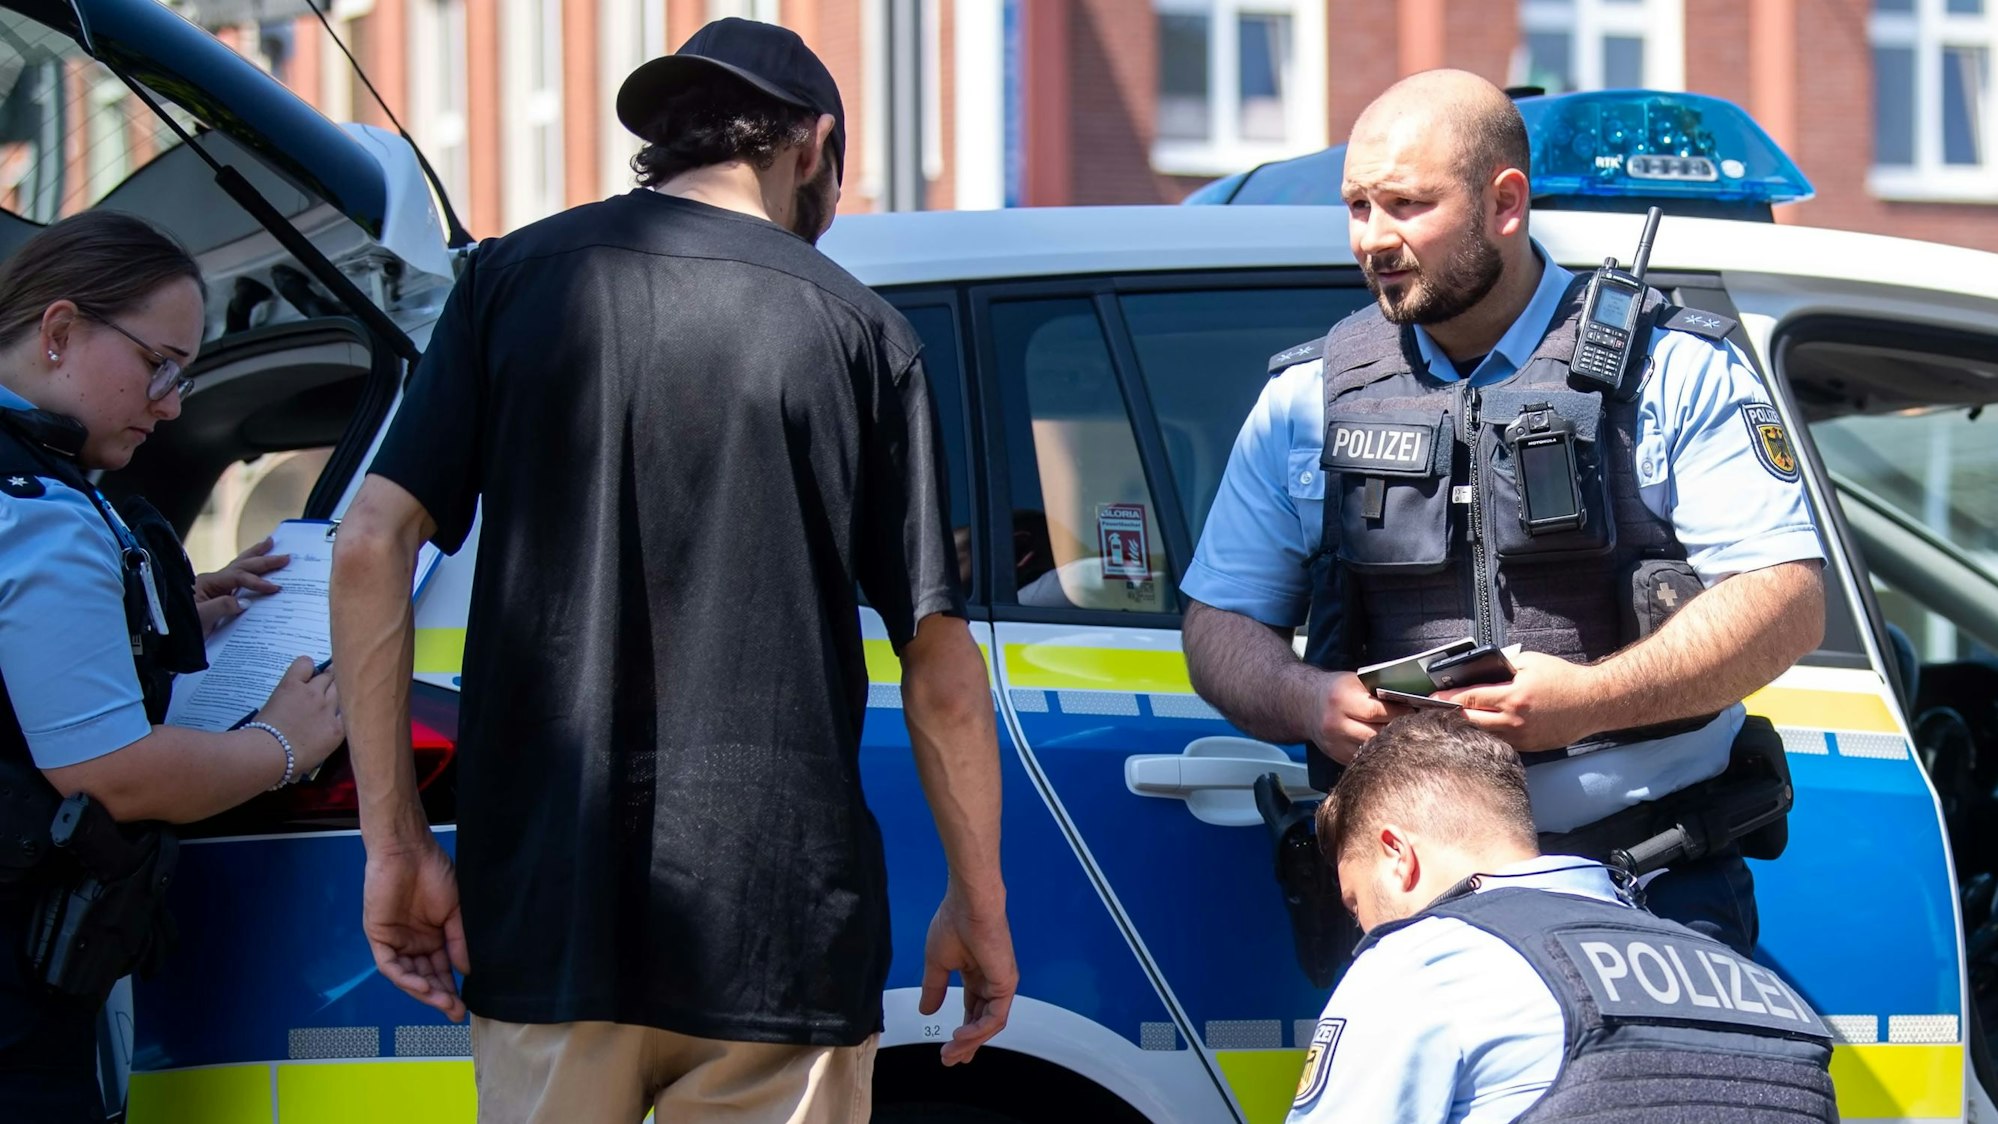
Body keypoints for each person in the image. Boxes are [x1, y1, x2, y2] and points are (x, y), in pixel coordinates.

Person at [329, 18, 1015, 1124]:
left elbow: (369, 544)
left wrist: (397, 842)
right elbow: (939, 668)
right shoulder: (862, 332)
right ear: (814, 147)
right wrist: (978, 899)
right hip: (781, 928)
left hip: (544, 906)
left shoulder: (509, 284)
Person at [1181, 70, 1825, 953]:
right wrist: (1307, 699)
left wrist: (1592, 700)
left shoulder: (1672, 368)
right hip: (1410, 894)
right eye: (1358, 206)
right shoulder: (1308, 397)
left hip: (1648, 878)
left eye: (1406, 204)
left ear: (1506, 204)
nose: (1374, 238)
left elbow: (1786, 599)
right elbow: (1218, 623)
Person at [0, 212, 343, 1120]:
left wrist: (163, 611)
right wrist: (284, 741)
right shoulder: (39, 507)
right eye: (159, 365)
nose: (171, 402)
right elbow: (112, 773)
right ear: (61, 331)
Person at [1289, 711, 1836, 1124]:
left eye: (1357, 903)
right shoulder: (1765, 992)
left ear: (1397, 855)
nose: (1365, 930)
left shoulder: (1421, 962)